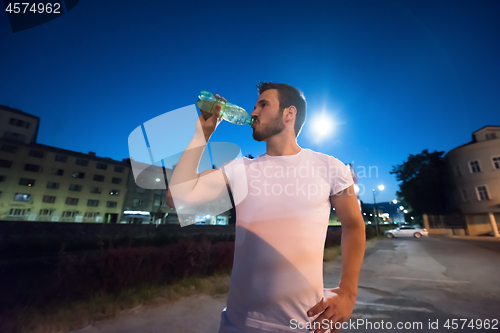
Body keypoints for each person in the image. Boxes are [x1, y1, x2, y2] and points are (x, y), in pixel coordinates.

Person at [166, 82, 365, 333]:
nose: (253, 112)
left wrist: (348, 292)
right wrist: (201, 134)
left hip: (304, 326)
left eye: (263, 104)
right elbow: (177, 196)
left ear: (289, 113)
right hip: (237, 325)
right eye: (254, 106)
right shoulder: (240, 169)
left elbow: (354, 225)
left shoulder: (331, 167)